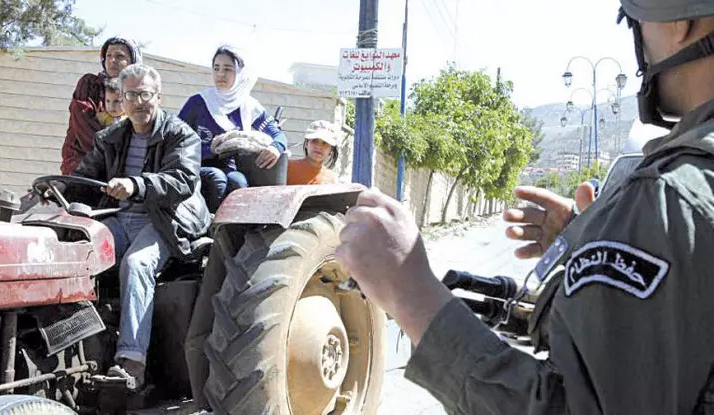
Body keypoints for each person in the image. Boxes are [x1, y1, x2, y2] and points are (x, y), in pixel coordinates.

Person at [335, 0, 714, 413]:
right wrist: (597, 245)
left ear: (679, 23)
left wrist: (411, 294)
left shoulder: (673, 194)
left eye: (635, 24)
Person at [70, 63, 210, 390]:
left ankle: (131, 363)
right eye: (131, 94)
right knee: (78, 255)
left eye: (145, 94)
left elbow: (184, 180)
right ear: (123, 98)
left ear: (158, 97)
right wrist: (56, 190)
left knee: (137, 264)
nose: (138, 101)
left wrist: (138, 185)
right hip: (119, 220)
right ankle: (80, 347)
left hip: (163, 219)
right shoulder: (111, 137)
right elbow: (85, 176)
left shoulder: (180, 135)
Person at [178, 44, 288, 213]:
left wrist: (275, 148)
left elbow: (278, 135)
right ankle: (208, 229)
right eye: (216, 68)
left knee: (238, 182)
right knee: (217, 178)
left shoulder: (249, 107)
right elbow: (176, 141)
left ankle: (233, 234)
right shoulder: (197, 103)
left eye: (228, 69)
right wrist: (211, 150)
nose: (220, 74)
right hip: (196, 166)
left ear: (240, 72)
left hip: (231, 169)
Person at [60, 36, 141, 175]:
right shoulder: (90, 84)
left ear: (132, 61)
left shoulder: (139, 94)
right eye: (108, 55)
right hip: (82, 165)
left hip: (121, 173)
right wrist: (111, 157)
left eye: (119, 56)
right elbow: (84, 125)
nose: (112, 60)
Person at [287, 120, 339, 185]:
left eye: (324, 143)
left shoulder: (332, 179)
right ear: (306, 144)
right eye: (315, 141)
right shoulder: (288, 168)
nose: (319, 147)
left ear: (331, 151)